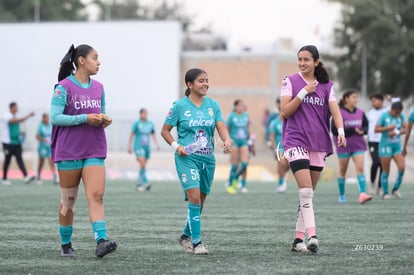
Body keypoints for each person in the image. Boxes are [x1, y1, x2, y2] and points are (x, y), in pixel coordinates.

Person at [51, 44, 117, 258]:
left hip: (94, 149)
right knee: (68, 201)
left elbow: (101, 112)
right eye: (95, 58)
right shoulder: (63, 87)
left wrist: (104, 120)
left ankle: (101, 241)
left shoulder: (99, 87)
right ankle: (65, 244)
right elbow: (55, 117)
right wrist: (85, 118)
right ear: (81, 60)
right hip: (68, 151)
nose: (99, 62)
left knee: (96, 195)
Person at [280, 45, 346, 253]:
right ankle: (313, 236)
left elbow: (335, 111)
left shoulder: (327, 86)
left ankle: (298, 240)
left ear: (316, 62)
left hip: (319, 142)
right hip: (295, 139)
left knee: (307, 194)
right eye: (299, 59)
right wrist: (302, 92)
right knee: (306, 191)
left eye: (306, 59)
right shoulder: (289, 81)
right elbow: (285, 112)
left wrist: (341, 131)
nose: (302, 63)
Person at [161, 68, 232, 255]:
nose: (206, 84)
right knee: (193, 198)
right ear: (190, 85)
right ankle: (197, 243)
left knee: (200, 201)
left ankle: (185, 235)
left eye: (207, 80)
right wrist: (177, 147)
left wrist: (226, 139)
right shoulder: (179, 107)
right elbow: (165, 131)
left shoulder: (213, 105)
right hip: (187, 158)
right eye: (201, 81)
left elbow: (221, 125)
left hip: (207, 159)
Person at [331, 90, 372, 204]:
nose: (356, 99)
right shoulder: (338, 112)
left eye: (357, 97)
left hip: (358, 145)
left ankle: (362, 194)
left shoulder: (361, 112)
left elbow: (366, 127)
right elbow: (334, 130)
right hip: (344, 146)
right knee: (342, 171)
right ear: (346, 99)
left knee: (360, 169)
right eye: (354, 97)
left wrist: (362, 131)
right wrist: (352, 130)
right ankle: (342, 195)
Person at [375, 101, 407, 199]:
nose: (397, 114)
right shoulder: (384, 116)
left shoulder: (401, 116)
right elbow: (376, 129)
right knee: (386, 170)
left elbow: (406, 129)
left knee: (402, 167)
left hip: (397, 146)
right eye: (395, 112)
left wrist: (396, 132)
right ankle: (385, 192)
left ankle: (395, 189)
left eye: (399, 112)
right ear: (391, 109)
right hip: (385, 146)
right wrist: (388, 128)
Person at [1, 102, 35, 185]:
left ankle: (26, 176)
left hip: (16, 142)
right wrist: (28, 116)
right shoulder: (7, 116)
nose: (17, 109)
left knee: (19, 159)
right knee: (7, 160)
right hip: (8, 143)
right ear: (11, 108)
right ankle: (4, 178)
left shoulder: (16, 116)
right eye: (16, 107)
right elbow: (14, 121)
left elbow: (18, 124)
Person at [128, 108, 160, 191]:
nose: (145, 115)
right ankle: (144, 183)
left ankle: (140, 183)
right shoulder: (137, 123)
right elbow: (132, 134)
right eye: (144, 113)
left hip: (147, 148)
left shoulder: (150, 123)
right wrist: (129, 146)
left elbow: (153, 134)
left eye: (146, 113)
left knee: (143, 166)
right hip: (138, 146)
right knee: (142, 164)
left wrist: (157, 144)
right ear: (140, 114)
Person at [226, 99, 251, 194]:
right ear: (235, 107)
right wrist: (227, 140)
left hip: (244, 141)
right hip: (234, 141)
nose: (241, 107)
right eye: (239, 105)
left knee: (244, 163)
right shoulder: (231, 116)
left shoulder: (246, 115)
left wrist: (250, 140)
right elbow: (227, 129)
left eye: (242, 106)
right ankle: (230, 184)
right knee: (234, 165)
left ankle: (238, 180)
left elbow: (248, 128)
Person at [366, 93, 387, 195]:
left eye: (374, 100)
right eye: (372, 101)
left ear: (381, 101)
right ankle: (372, 183)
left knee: (383, 164)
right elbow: (365, 125)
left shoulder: (387, 112)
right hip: (372, 141)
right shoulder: (369, 112)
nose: (373, 103)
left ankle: (380, 187)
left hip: (384, 141)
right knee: (376, 162)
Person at [269, 98, 289, 193]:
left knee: (287, 166)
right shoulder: (274, 123)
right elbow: (272, 136)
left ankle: (283, 177)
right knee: (282, 163)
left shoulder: (289, 122)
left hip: (289, 146)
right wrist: (274, 147)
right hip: (279, 147)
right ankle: (281, 183)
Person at [36, 113, 58, 185]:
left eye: (48, 117)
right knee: (41, 162)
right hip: (42, 147)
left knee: (51, 162)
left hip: (49, 147)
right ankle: (38, 176)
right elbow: (37, 136)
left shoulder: (50, 126)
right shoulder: (40, 126)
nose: (47, 119)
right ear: (43, 118)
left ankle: (55, 177)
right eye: (46, 118)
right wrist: (44, 139)